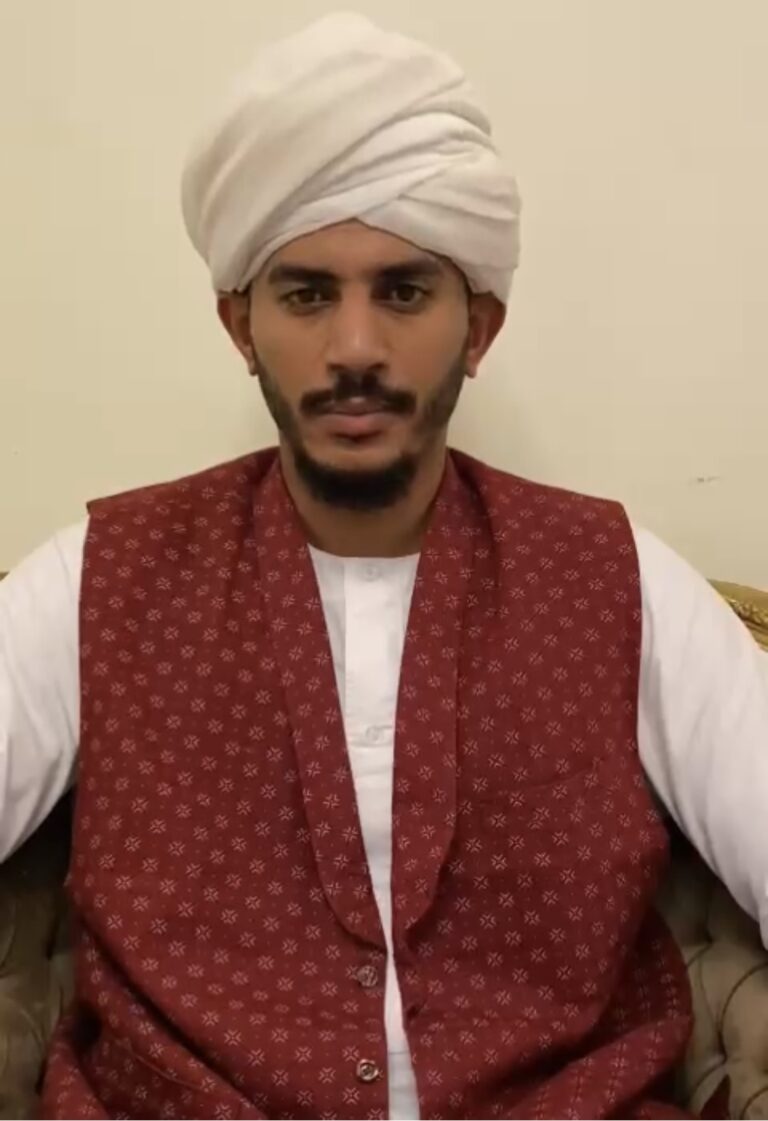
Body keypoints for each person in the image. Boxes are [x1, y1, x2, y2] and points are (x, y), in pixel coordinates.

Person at [1, 11, 766, 1121]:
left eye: (403, 291)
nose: (354, 348)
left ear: (478, 327)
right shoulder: (102, 580)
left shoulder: (616, 580)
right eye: (307, 294)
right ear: (241, 326)